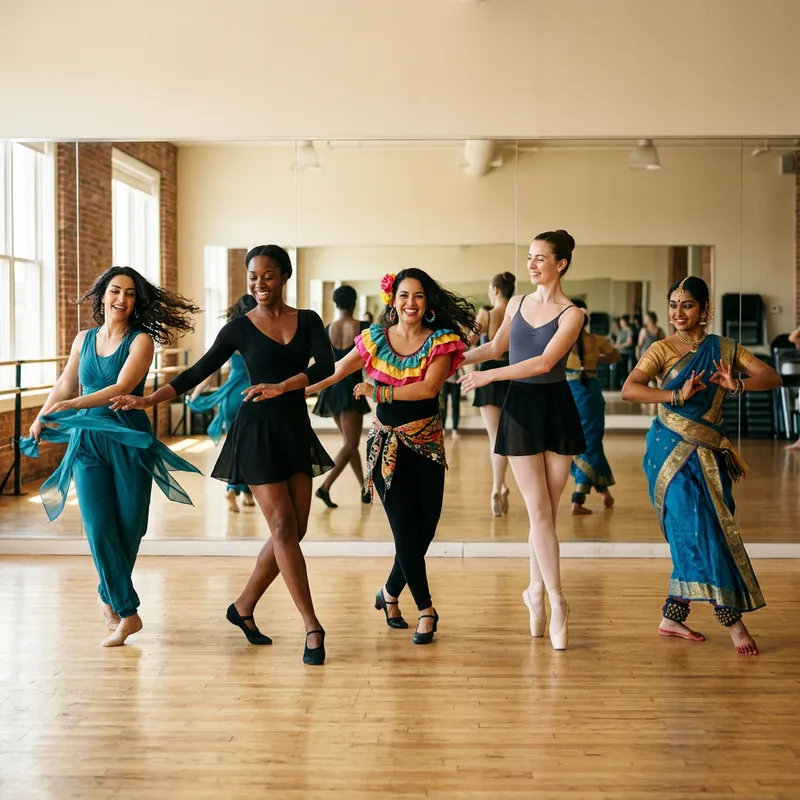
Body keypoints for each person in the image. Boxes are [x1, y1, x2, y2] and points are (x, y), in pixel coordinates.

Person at [111, 245, 335, 665]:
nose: (259, 284)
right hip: (255, 433)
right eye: (252, 276)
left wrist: (283, 386)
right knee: (283, 525)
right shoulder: (238, 328)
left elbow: (324, 366)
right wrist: (149, 401)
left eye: (267, 275)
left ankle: (244, 606)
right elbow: (196, 372)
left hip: (293, 429)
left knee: (295, 530)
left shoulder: (307, 320)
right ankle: (312, 625)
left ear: (284, 276)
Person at [22, 267, 201, 646]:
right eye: (115, 291)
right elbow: (65, 382)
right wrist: (42, 415)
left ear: (136, 301)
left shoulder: (141, 342)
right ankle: (128, 612)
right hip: (88, 441)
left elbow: (121, 386)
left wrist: (73, 404)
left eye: (130, 293)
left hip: (129, 438)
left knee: (129, 527)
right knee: (98, 526)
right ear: (102, 295)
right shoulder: (83, 339)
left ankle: (108, 595)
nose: (122, 299)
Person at [307, 268, 474, 645]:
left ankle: (388, 594)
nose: (410, 303)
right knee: (404, 530)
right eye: (403, 295)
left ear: (427, 302)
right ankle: (427, 610)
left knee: (423, 532)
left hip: (427, 445)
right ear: (392, 300)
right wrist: (299, 388)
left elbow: (428, 389)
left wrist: (376, 392)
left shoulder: (441, 342)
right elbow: (337, 370)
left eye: (417, 296)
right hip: (385, 447)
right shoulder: (374, 339)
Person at [621, 276, 782, 656]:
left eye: (688, 305)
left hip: (709, 454)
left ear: (704, 310)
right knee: (696, 531)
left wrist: (735, 383)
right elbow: (631, 389)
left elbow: (771, 376)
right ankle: (732, 620)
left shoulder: (724, 348)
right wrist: (676, 394)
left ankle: (672, 616)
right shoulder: (660, 349)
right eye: (673, 305)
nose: (678, 313)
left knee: (696, 532)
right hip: (668, 453)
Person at [460, 230, 586, 651]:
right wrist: (455, 359)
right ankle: (557, 601)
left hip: (555, 409)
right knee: (538, 511)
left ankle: (535, 589)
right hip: (521, 412)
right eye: (529, 257)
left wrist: (489, 376)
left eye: (540, 258)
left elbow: (546, 361)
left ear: (560, 264)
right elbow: (496, 346)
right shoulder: (515, 303)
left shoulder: (573, 314)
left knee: (545, 514)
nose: (531, 265)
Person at [186, 293, 257, 513]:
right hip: (252, 395)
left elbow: (211, 367)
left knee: (237, 446)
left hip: (231, 397)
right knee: (251, 447)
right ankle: (232, 488)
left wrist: (196, 392)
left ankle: (245, 493)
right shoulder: (262, 332)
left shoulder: (232, 333)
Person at [311, 284, 371, 508]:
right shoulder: (364, 328)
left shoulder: (328, 329)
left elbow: (321, 362)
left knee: (349, 443)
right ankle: (324, 487)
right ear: (354, 303)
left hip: (331, 389)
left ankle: (365, 489)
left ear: (336, 304)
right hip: (351, 389)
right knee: (351, 443)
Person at [566, 299, 621, 515]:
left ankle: (596, 494)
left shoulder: (562, 340)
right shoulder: (596, 340)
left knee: (582, 444)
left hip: (570, 391)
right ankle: (580, 499)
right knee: (591, 442)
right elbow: (615, 356)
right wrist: (595, 359)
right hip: (590, 389)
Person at [471, 272, 516, 516]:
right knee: (507, 437)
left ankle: (497, 487)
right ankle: (500, 485)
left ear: (496, 290)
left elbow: (470, 340)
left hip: (489, 375)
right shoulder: (518, 312)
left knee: (494, 437)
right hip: (512, 372)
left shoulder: (486, 314)